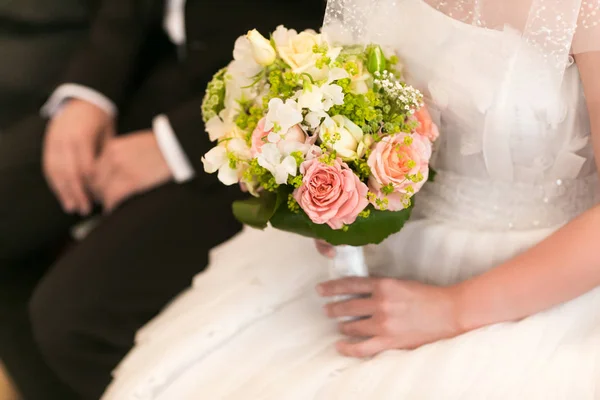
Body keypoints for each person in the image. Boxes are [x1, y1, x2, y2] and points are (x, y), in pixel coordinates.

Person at [101, 0, 600, 398]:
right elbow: (350, 95)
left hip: (547, 274)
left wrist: (454, 309)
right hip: (390, 250)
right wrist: (335, 193)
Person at [0, 0, 324, 398]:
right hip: (150, 73)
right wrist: (90, 92)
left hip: (262, 131)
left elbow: (327, 35)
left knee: (71, 319)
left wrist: (173, 145)